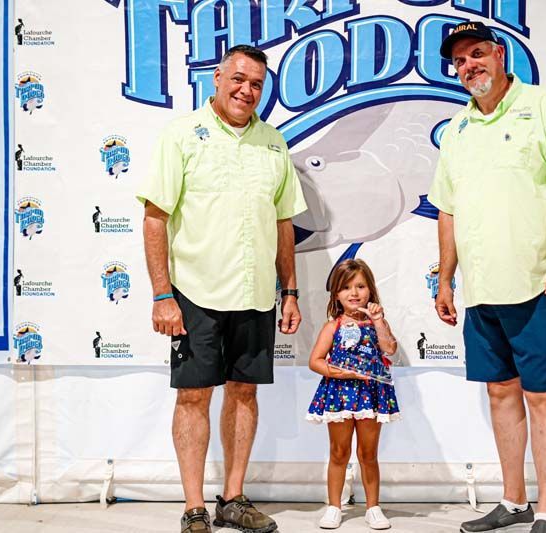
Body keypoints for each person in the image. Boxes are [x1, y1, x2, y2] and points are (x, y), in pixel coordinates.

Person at [429, 22, 546, 533]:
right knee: (500, 393)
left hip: (540, 283)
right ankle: (514, 501)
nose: (468, 66)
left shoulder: (545, 107)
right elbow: (448, 211)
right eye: (459, 61)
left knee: (542, 395)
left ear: (500, 55)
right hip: (482, 290)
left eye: (477, 54)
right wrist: (445, 279)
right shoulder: (456, 130)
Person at [136, 44, 307, 533]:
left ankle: (233, 500)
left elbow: (283, 223)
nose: (246, 90)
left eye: (255, 83)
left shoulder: (273, 143)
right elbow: (155, 219)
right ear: (217, 77)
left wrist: (289, 291)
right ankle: (194, 507)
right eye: (238, 79)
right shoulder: (182, 136)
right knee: (193, 396)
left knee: (245, 392)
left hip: (255, 293)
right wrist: (162, 294)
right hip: (194, 293)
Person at [306, 259, 400, 530]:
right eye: (346, 287)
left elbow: (390, 348)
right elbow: (316, 360)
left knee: (368, 453)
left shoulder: (376, 323)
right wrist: (343, 373)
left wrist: (379, 320)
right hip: (339, 395)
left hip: (371, 395)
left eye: (360, 286)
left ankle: (373, 507)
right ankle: (334, 506)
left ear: (371, 290)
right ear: (336, 294)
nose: (354, 293)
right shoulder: (332, 326)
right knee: (338, 452)